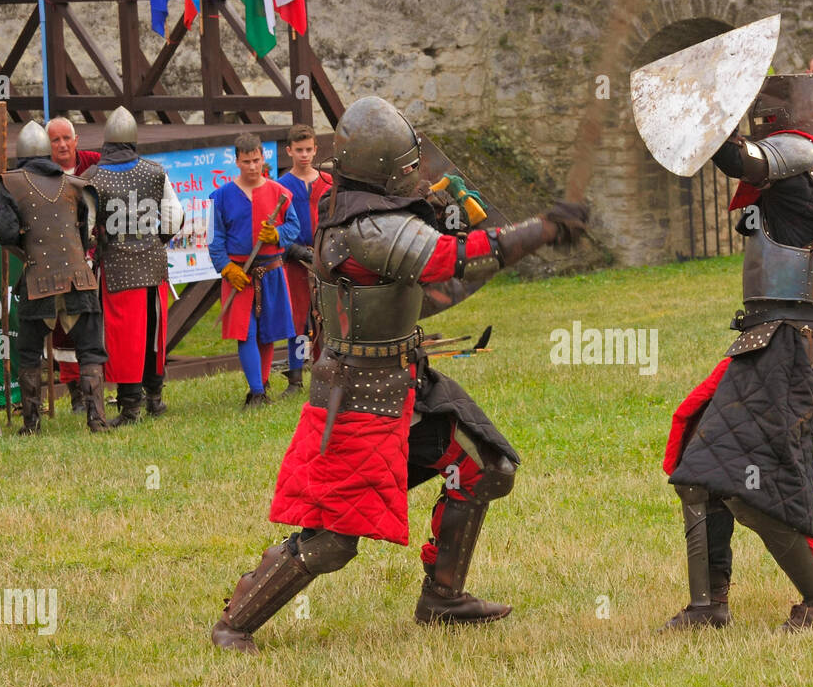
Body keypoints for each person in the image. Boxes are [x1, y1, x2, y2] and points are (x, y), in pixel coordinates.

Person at [210, 96, 587, 653]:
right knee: (334, 539)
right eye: (409, 166)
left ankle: (443, 597)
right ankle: (236, 623)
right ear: (385, 171)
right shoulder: (369, 229)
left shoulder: (364, 213)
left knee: (486, 467)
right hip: (358, 396)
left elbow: (439, 261)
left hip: (405, 380)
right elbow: (449, 260)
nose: (418, 174)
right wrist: (543, 231)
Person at [661, 74, 813, 631]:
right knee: (699, 463)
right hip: (777, 347)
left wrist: (702, 108)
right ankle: (706, 605)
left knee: (748, 486)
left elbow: (741, 161)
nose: (760, 119)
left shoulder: (802, 161)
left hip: (786, 350)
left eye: (766, 112)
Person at [0, 121, 109, 433]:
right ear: (47, 151)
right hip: (79, 278)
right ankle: (96, 418)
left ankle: (31, 424)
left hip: (38, 281)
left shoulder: (10, 183)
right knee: (91, 350)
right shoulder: (74, 185)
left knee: (30, 353)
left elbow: (3, 233)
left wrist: (25, 249)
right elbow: (84, 234)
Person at [81, 107, 183, 425]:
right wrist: (155, 241)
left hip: (116, 266)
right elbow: (174, 218)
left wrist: (93, 248)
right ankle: (154, 399)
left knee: (126, 338)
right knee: (152, 332)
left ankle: (130, 408)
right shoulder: (155, 171)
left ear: (107, 142)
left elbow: (86, 229)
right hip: (152, 262)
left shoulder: (94, 177)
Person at [208, 133, 300, 407]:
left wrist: (277, 236)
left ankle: (261, 384)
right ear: (236, 161)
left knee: (268, 332)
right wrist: (226, 268)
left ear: (263, 158)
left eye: (256, 160)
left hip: (271, 271)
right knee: (244, 332)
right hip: (240, 275)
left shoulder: (280, 193)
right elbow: (215, 239)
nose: (252, 166)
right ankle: (256, 392)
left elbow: (294, 227)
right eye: (246, 161)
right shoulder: (222, 196)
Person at [47, 117, 101, 411]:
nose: (63, 144)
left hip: (94, 259)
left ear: (76, 139)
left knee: (94, 325)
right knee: (63, 328)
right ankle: (76, 394)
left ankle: (97, 389)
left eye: (66, 138)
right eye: (55, 140)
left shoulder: (94, 162)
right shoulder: (42, 171)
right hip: (57, 261)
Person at [276, 124, 332, 396]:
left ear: (315, 149)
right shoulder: (280, 187)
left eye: (309, 149)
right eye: (299, 150)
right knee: (298, 319)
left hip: (326, 260)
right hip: (294, 261)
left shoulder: (329, 182)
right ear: (289, 151)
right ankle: (296, 379)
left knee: (327, 318)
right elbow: (277, 226)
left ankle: (324, 374)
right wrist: (294, 250)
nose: (305, 155)